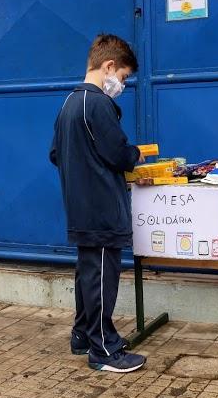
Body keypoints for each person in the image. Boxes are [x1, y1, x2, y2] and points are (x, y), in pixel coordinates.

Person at [49, 34, 147, 373]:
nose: (122, 84)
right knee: (102, 277)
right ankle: (104, 349)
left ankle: (81, 335)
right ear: (108, 66)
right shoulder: (98, 104)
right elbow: (120, 154)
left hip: (79, 206)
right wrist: (135, 154)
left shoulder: (68, 104)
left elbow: (55, 154)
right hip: (102, 208)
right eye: (122, 77)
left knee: (88, 275)